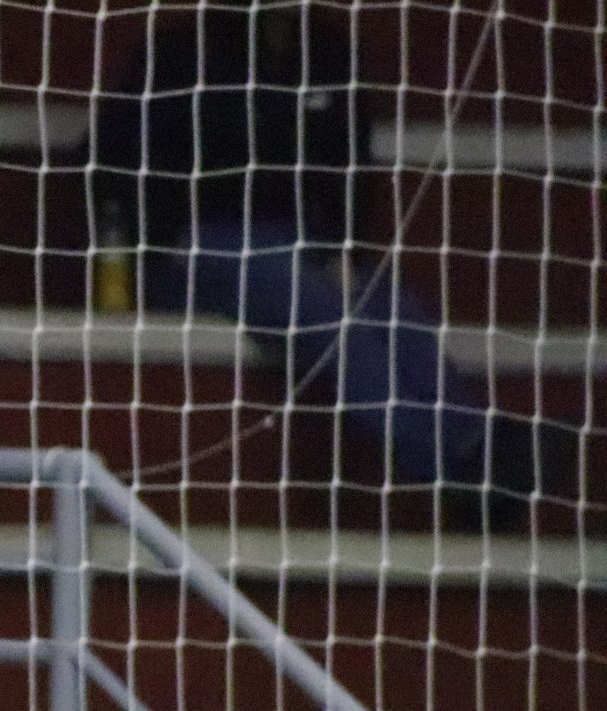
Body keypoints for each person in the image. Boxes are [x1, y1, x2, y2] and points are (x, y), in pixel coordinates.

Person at [89, 1, 538, 528]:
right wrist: (150, 238)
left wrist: (343, 248)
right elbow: (109, 156)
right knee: (318, 306)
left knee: (389, 304)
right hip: (197, 243)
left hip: (300, 242)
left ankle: (476, 443)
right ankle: (449, 465)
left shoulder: (327, 54)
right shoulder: (178, 51)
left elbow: (350, 165)